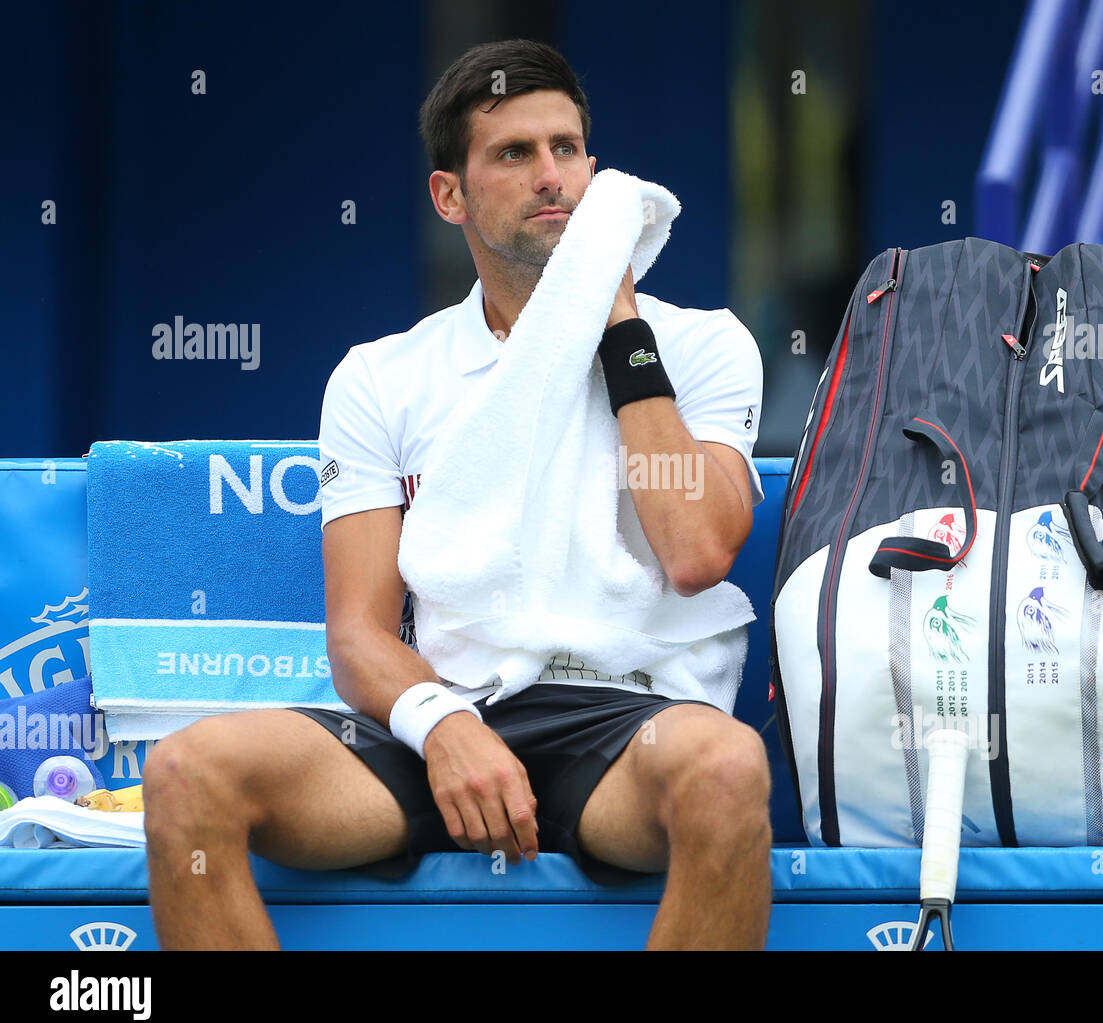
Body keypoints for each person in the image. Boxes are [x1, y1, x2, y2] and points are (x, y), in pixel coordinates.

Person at [142, 38, 771, 951]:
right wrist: (445, 727)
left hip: (627, 721)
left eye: (568, 148)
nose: (551, 177)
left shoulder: (703, 344)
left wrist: (618, 323)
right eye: (514, 154)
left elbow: (697, 553)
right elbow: (358, 634)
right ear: (451, 196)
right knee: (189, 773)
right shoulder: (380, 376)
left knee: (725, 768)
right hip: (440, 714)